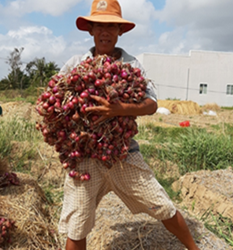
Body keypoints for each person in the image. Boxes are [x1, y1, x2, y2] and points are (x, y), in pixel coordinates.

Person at [57, 1, 200, 250]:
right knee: (76, 224)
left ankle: (195, 249)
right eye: (99, 25)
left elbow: (152, 104)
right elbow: (55, 99)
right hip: (85, 157)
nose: (105, 31)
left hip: (123, 154)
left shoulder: (132, 66)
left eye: (111, 25)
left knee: (162, 206)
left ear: (119, 31)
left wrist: (119, 110)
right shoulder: (75, 65)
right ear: (90, 29)